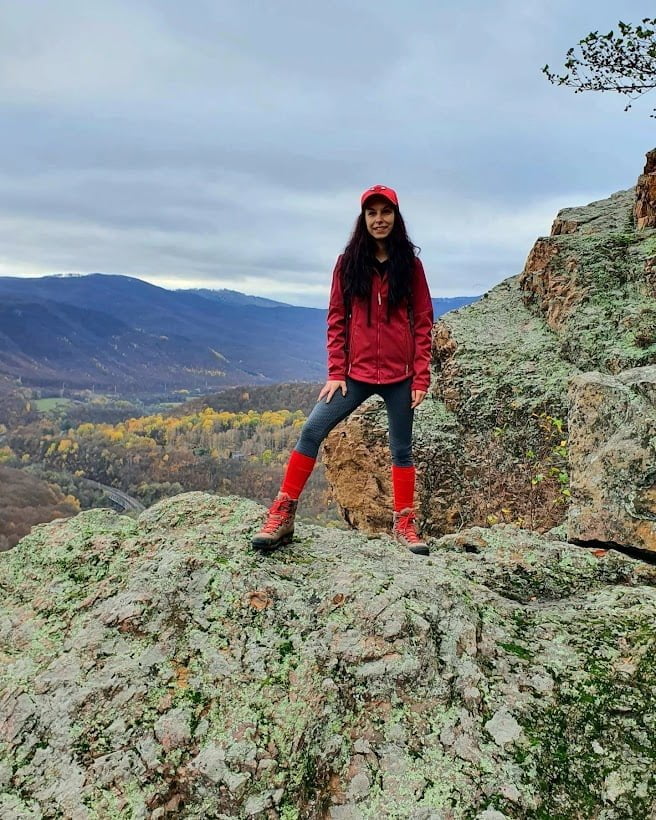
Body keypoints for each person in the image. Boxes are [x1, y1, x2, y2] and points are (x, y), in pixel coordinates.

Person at [251, 184, 434, 555]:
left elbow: (423, 322)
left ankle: (404, 524)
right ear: (363, 219)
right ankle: (283, 513)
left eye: (386, 212)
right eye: (372, 213)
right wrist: (336, 371)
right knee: (311, 430)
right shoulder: (348, 263)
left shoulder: (410, 266)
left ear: (396, 218)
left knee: (402, 449)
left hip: (400, 376)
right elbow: (336, 318)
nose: (379, 219)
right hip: (354, 374)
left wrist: (421, 375)